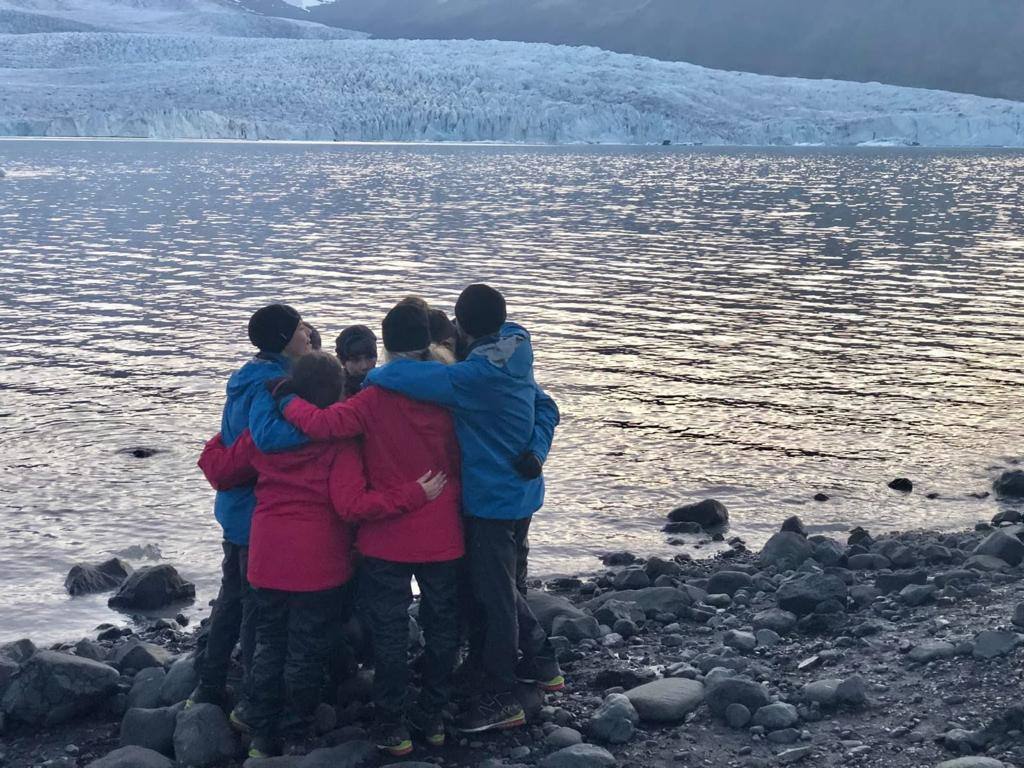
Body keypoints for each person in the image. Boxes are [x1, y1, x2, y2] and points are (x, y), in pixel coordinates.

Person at [283, 285, 561, 734]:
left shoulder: (457, 381)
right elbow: (546, 406)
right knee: (475, 599)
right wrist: (537, 451)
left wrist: (339, 386)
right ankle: (457, 693)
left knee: (490, 595)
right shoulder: (513, 347)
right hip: (501, 500)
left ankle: (502, 689)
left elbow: (373, 398)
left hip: (482, 505)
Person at [198, 351, 447, 759]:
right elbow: (352, 506)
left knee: (268, 645)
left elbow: (220, 471)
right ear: (337, 394)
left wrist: (216, 438)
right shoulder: (339, 444)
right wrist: (413, 494)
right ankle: (295, 732)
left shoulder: (263, 435)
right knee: (305, 651)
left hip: (267, 558)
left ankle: (262, 734)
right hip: (318, 565)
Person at [270, 304, 464, 757]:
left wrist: (284, 396)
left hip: (386, 536)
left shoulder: (371, 400)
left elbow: (322, 424)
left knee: (390, 632)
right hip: (443, 533)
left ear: (387, 346)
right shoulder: (455, 390)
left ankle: (392, 725)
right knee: (442, 627)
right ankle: (433, 718)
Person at [189, 304, 312, 721]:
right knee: (255, 606)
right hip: (254, 512)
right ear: (283, 339)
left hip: (235, 508)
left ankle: (209, 685)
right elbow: (267, 438)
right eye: (300, 328)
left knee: (232, 597)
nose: (307, 334)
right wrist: (321, 426)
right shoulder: (270, 383)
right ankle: (249, 700)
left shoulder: (245, 377)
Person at [334, 324, 378, 398]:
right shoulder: (332, 391)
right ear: (341, 360)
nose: (364, 366)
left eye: (369, 357)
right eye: (355, 360)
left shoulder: (387, 384)